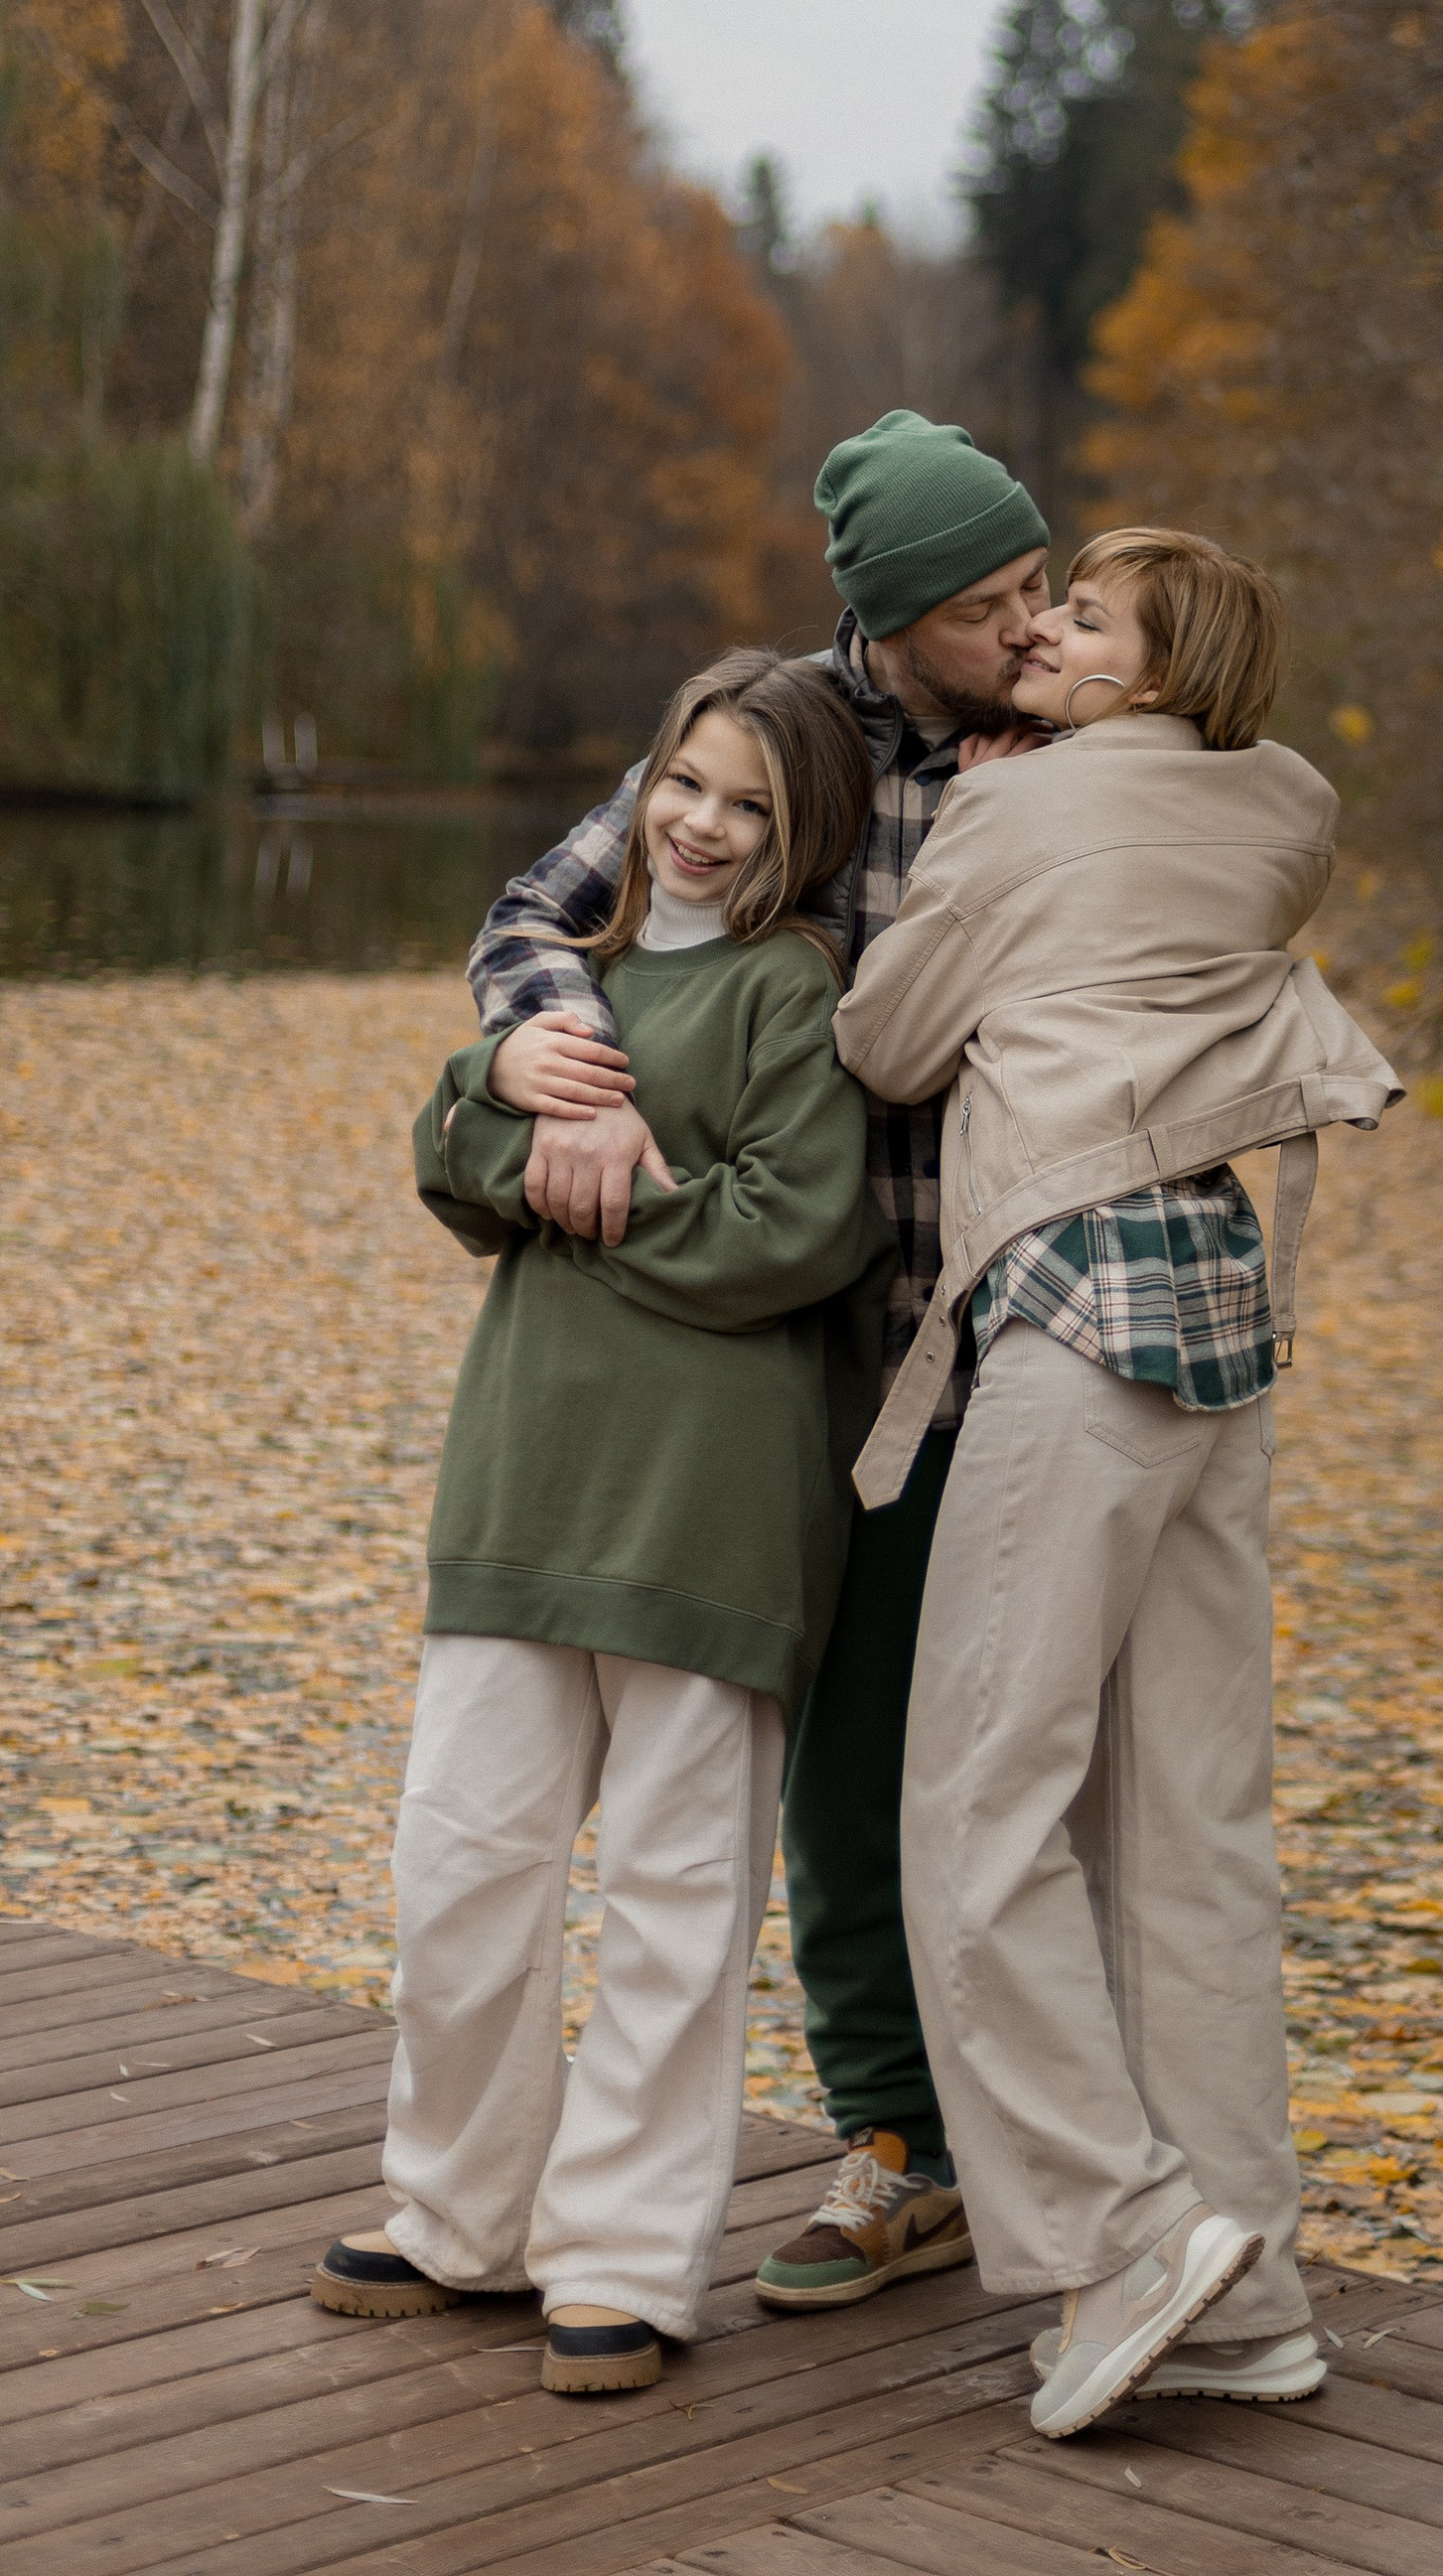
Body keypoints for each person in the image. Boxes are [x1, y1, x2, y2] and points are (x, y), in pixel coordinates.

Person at [457, 410, 1049, 2316]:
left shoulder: (1057, 754)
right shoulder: (765, 734)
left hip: (994, 1324)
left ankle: (1002, 2146)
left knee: (987, 1763)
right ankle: (894, 2141)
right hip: (793, 1360)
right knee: (817, 1763)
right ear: (890, 618)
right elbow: (543, 916)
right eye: (991, 603)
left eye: (1040, 591)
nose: (1029, 627)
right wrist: (543, 1061)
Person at [833, 525, 1401, 2440]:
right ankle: (1253, 2293)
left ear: (1157, 671)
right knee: (1192, 1828)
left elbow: (884, 1039)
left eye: (1089, 618)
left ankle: (1123, 2230)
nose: (1048, 633)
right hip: (1225, 1318)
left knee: (977, 1815)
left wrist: (979, 838)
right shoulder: (1292, 805)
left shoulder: (1010, 817)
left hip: (1074, 1318)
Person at [312, 649, 891, 2394]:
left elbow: (801, 1230)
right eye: (687, 784)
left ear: (806, 836)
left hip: (709, 1514)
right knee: (463, 1866)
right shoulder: (578, 992)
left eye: (753, 805)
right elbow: (452, 1155)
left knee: (670, 1898)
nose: (705, 826)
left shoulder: (800, 993)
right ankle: (459, 2215)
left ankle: (626, 2264)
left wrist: (611, 1190)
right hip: (520, 1482)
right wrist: (513, 1109)